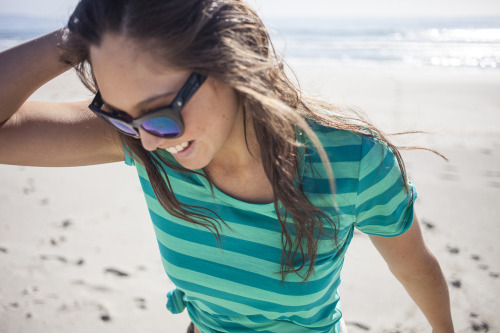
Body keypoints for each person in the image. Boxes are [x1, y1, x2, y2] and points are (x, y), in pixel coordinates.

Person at [0, 0, 455, 332]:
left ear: (230, 63)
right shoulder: (142, 141)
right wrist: (88, 34)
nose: (150, 139)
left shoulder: (351, 162)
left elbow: (415, 267)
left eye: (160, 112)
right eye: (121, 114)